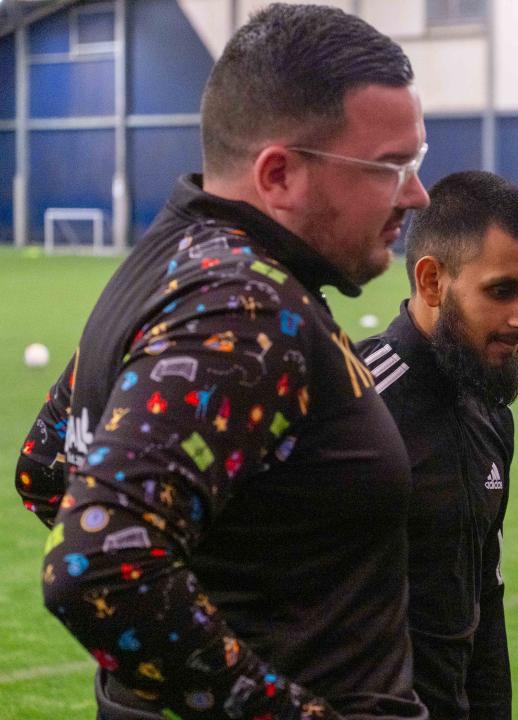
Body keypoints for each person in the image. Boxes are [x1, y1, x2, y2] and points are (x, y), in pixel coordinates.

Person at [14, 5, 431, 719]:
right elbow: (98, 561)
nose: (415, 196)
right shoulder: (243, 307)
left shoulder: (172, 266)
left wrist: (230, 571)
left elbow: (45, 466)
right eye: (390, 169)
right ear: (279, 174)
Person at [356, 171, 518, 719]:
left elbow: (484, 599)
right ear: (432, 282)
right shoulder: (354, 409)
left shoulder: (489, 411)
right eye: (503, 290)